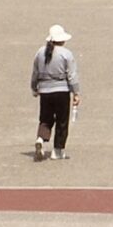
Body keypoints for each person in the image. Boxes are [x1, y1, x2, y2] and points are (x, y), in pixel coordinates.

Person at [31, 24, 79, 162]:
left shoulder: (40, 53)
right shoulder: (66, 54)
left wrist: (34, 88)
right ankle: (57, 151)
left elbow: (35, 73)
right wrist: (76, 93)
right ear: (62, 40)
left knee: (45, 119)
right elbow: (72, 75)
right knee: (62, 121)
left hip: (45, 92)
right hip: (62, 92)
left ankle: (41, 138)